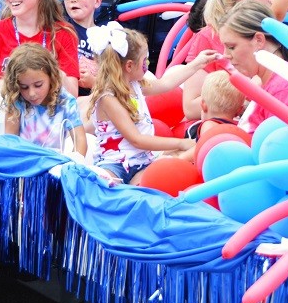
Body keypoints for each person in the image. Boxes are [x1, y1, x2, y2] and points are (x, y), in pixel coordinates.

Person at [87, 22, 216, 185]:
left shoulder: (135, 85)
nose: (147, 64)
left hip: (142, 161)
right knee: (108, 189)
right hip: (115, 166)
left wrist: (197, 64)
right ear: (129, 66)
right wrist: (181, 142)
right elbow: (136, 139)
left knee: (179, 161)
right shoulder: (109, 98)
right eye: (145, 60)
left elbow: (166, 84)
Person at [181, 0, 288, 120]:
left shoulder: (265, 28)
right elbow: (190, 108)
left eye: (231, 46)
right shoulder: (209, 36)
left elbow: (277, 12)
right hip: (220, 131)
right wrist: (249, 90)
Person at [217, 0, 288, 134]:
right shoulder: (277, 82)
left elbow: (287, 149)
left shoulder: (284, 89)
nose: (225, 55)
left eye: (231, 47)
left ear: (259, 40)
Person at [2, 43, 88, 156]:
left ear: (51, 78)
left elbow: (80, 141)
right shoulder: (16, 101)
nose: (31, 93)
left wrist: (74, 164)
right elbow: (10, 143)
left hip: (53, 163)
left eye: (38, 85)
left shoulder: (66, 102)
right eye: (24, 87)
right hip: (24, 163)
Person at [62, 0, 105, 97]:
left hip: (96, 100)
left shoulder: (107, 36)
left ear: (97, 2)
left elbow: (119, 79)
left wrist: (94, 82)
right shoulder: (59, 30)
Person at [184, 70, 245, 140]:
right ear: (239, 111)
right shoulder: (241, 129)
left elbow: (204, 149)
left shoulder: (209, 126)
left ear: (203, 105)